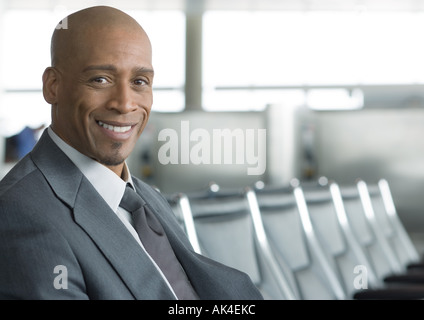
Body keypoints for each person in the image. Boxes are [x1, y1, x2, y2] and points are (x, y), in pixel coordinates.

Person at [0, 6, 264, 300]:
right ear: (53, 86)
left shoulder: (145, 197)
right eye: (100, 79)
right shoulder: (21, 213)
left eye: (139, 82)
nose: (125, 104)